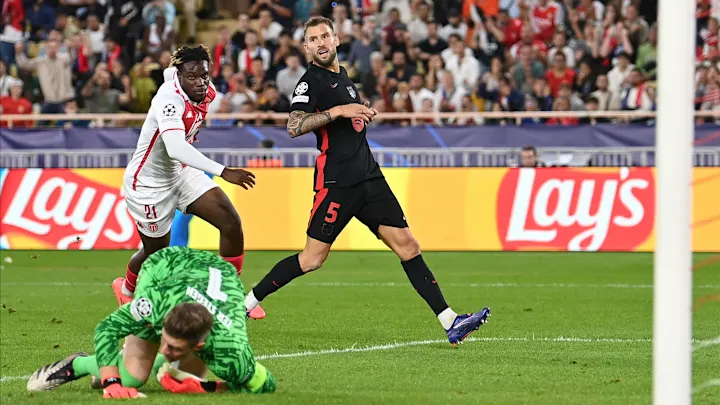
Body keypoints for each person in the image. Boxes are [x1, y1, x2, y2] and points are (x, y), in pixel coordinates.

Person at [243, 17, 491, 346]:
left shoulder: (344, 77)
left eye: (325, 36)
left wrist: (358, 115)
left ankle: (450, 321)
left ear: (336, 40)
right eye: (313, 39)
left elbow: (348, 124)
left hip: (369, 177)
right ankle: (245, 304)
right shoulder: (310, 81)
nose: (320, 42)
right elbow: (294, 125)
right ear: (306, 48)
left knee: (408, 246)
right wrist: (340, 111)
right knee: (312, 259)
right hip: (338, 182)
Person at [114, 45, 265, 319]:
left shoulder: (207, 91)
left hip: (180, 172)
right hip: (148, 185)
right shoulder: (168, 99)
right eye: (191, 76)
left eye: (204, 75)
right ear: (180, 76)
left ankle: (228, 297)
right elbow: (175, 147)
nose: (200, 82)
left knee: (231, 223)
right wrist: (223, 171)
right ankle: (126, 288)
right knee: (155, 252)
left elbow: (171, 73)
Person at [26, 247, 277, 398]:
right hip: (166, 266)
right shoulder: (155, 305)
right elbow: (106, 328)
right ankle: (78, 364)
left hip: (221, 277)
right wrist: (112, 383)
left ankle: (116, 360)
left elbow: (266, 384)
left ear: (199, 346)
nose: (165, 350)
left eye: (174, 347)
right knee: (131, 378)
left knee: (189, 373)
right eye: (164, 340)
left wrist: (208, 387)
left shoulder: (231, 352)